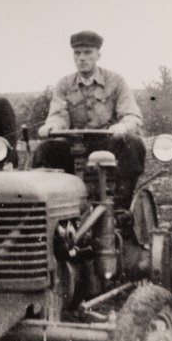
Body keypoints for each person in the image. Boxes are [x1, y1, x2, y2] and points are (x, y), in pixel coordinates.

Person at [35, 30, 145, 209]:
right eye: (77, 53)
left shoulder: (115, 81)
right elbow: (58, 114)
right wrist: (52, 125)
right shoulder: (64, 84)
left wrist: (122, 127)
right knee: (45, 150)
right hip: (75, 145)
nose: (82, 58)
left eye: (87, 53)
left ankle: (121, 208)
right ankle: (51, 207)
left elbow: (131, 114)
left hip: (107, 143)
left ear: (98, 55)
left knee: (133, 144)